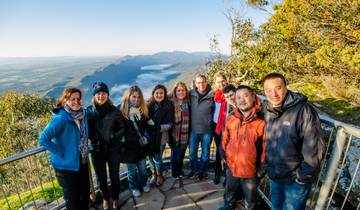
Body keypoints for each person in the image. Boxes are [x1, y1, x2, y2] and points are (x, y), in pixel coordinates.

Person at [262, 73, 325, 210]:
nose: (273, 94)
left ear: (286, 87)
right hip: (275, 175)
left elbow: (314, 147)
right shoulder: (267, 109)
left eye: (278, 88)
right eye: (268, 90)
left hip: (295, 180)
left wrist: (302, 177)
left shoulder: (304, 111)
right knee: (275, 207)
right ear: (264, 92)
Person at [39, 87, 90, 210]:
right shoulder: (61, 119)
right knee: (73, 201)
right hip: (66, 167)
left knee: (85, 195)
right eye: (73, 99)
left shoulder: (82, 115)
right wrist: (61, 152)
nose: (76, 102)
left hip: (81, 161)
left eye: (78, 99)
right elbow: (43, 139)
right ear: (65, 100)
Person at [219, 85, 266, 210]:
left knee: (251, 199)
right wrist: (223, 155)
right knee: (230, 191)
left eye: (245, 96)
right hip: (232, 165)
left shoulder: (262, 121)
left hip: (250, 170)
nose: (241, 100)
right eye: (238, 97)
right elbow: (225, 137)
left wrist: (262, 169)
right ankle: (228, 206)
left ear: (253, 96)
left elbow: (266, 147)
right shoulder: (232, 117)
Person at [86, 82, 125, 210]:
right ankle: (105, 199)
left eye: (103, 93)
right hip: (97, 150)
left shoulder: (114, 111)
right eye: (98, 93)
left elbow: (122, 128)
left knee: (114, 175)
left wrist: (113, 136)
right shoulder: (89, 112)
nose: (101, 96)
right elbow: (86, 130)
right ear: (94, 95)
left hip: (113, 149)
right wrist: (93, 138)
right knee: (101, 178)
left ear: (107, 95)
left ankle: (115, 198)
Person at [119, 85, 151, 197]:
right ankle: (134, 187)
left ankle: (144, 183)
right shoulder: (122, 111)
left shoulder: (143, 110)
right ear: (128, 97)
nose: (136, 99)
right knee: (131, 171)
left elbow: (148, 125)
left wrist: (147, 137)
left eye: (138, 97)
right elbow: (118, 129)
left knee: (142, 168)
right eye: (133, 97)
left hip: (141, 146)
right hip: (128, 147)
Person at [187, 74, 214, 180]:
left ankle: (201, 172)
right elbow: (175, 95)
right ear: (195, 83)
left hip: (207, 130)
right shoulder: (191, 94)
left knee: (205, 154)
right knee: (192, 153)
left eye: (203, 82)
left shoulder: (213, 95)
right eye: (198, 82)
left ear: (206, 82)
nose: (201, 84)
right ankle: (194, 170)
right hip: (193, 130)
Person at [147, 84, 174, 186]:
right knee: (150, 157)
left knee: (157, 157)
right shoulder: (149, 105)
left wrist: (158, 127)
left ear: (165, 94)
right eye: (157, 93)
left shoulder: (168, 106)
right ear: (153, 94)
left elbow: (170, 124)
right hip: (149, 136)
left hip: (161, 137)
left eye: (161, 93)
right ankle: (153, 174)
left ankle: (159, 175)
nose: (159, 95)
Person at [169, 82, 190, 179]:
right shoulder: (171, 103)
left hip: (185, 134)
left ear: (186, 91)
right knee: (175, 155)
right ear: (175, 92)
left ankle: (180, 171)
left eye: (183, 90)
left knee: (181, 154)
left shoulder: (188, 103)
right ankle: (174, 172)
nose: (181, 92)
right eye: (178, 90)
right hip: (173, 135)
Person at [212, 72, 230, 184]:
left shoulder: (232, 94)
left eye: (222, 81)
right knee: (219, 151)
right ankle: (217, 173)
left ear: (226, 80)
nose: (221, 83)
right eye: (218, 82)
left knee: (229, 152)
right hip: (216, 126)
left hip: (229, 127)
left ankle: (228, 177)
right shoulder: (215, 95)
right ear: (215, 83)